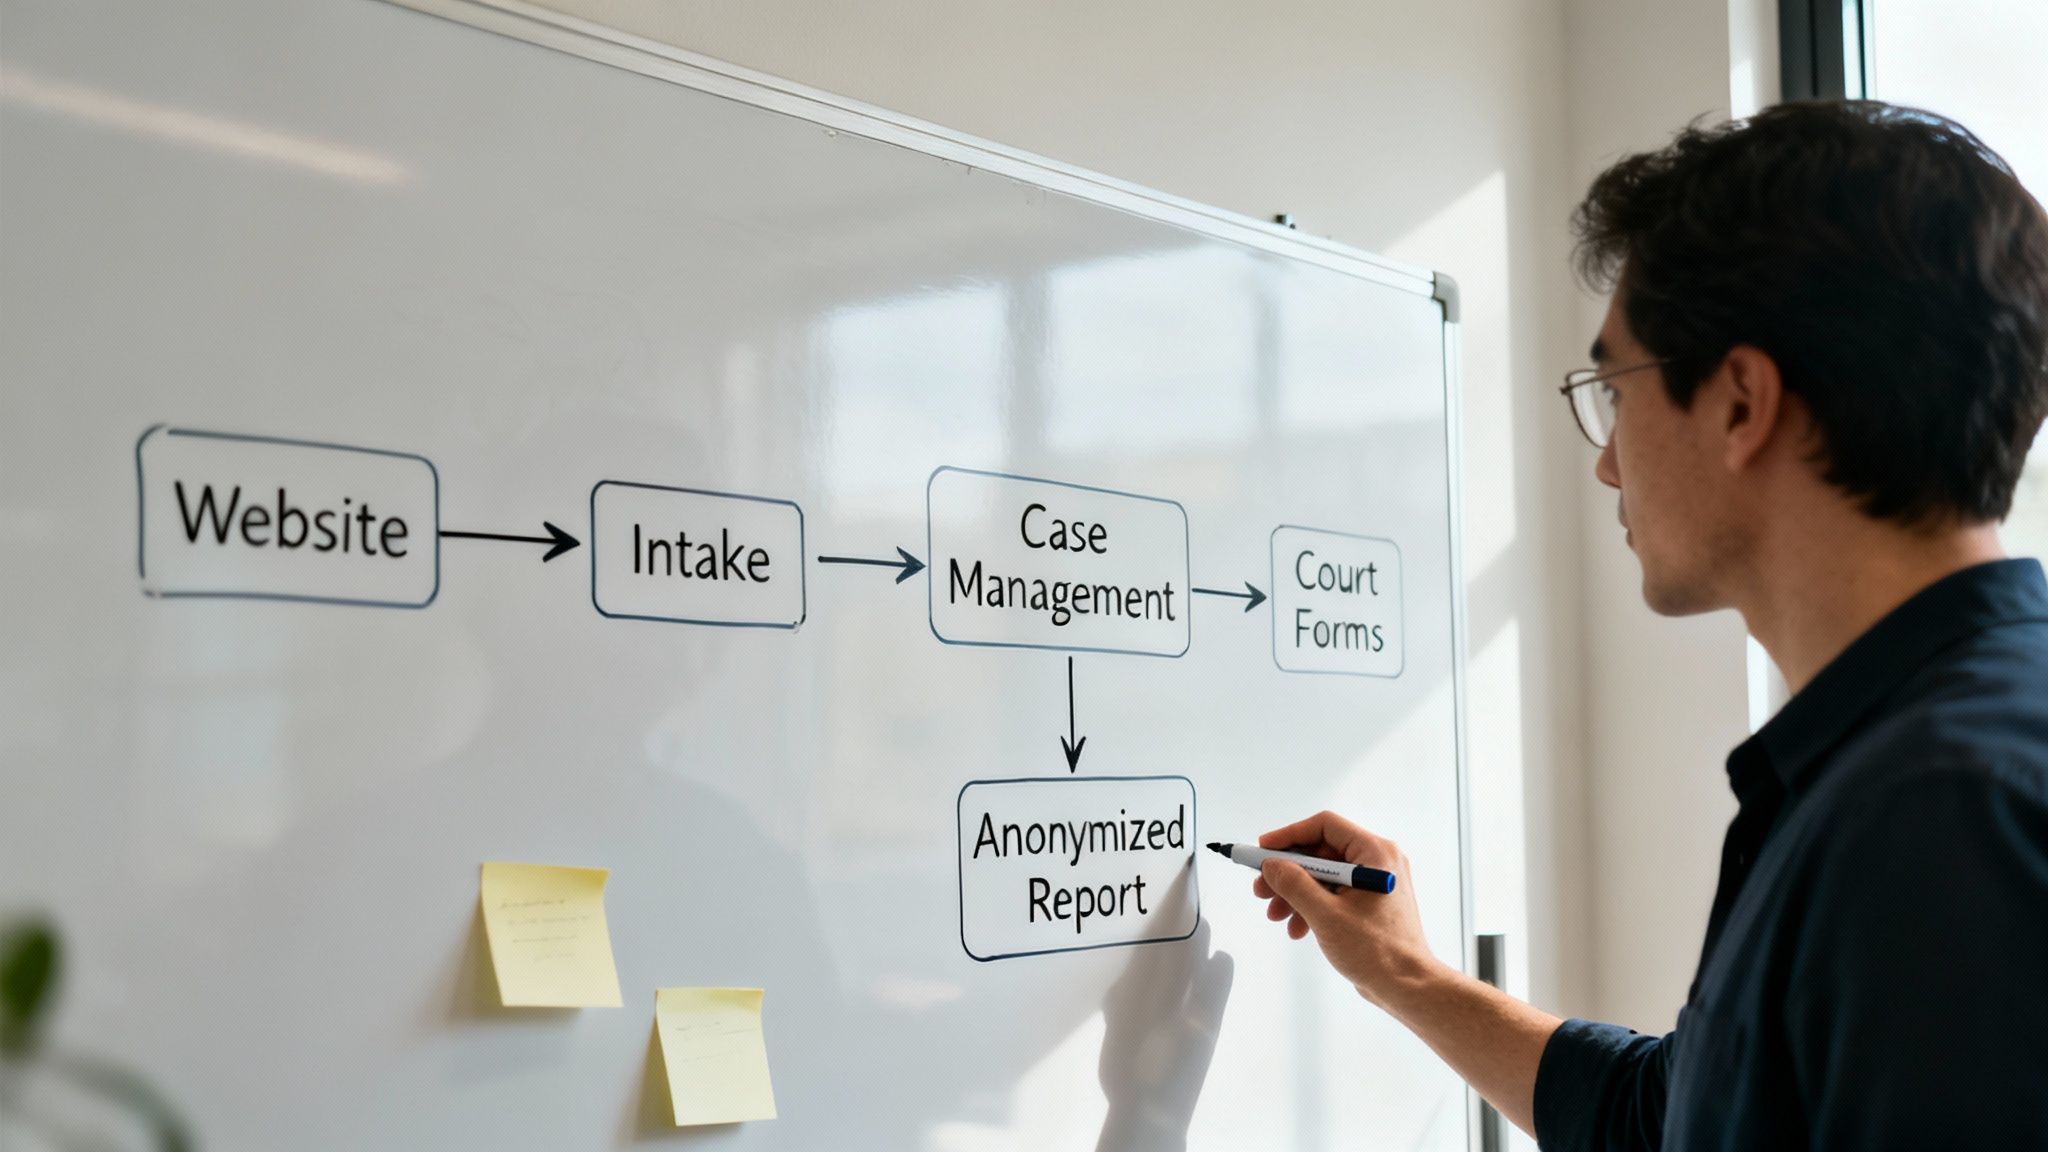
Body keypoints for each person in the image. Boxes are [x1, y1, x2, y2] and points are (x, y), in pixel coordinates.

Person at [1250, 100, 2048, 1150]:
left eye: (1613, 389)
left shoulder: (1944, 815)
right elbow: (1673, 1117)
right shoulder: (1896, 771)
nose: (1604, 460)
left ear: (1737, 403)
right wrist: (1402, 972)